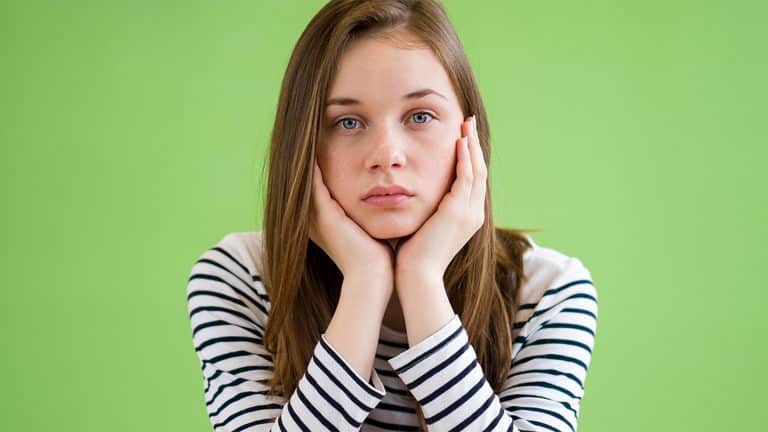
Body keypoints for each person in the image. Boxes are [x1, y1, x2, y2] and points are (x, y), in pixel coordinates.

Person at [186, 0, 599, 430]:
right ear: (303, 146)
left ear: (469, 134)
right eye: (348, 122)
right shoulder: (242, 277)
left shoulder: (547, 292)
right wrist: (365, 281)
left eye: (420, 116)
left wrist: (422, 278)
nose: (386, 155)